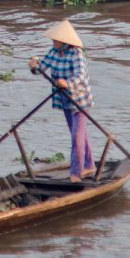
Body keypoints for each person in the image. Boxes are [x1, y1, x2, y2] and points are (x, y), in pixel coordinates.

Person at [30, 20, 96, 181]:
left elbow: (81, 76)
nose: (53, 41)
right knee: (79, 134)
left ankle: (76, 173)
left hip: (79, 101)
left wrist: (67, 83)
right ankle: (89, 165)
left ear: (64, 41)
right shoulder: (54, 51)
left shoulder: (76, 54)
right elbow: (41, 68)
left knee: (77, 137)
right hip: (64, 100)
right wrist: (33, 66)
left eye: (55, 39)